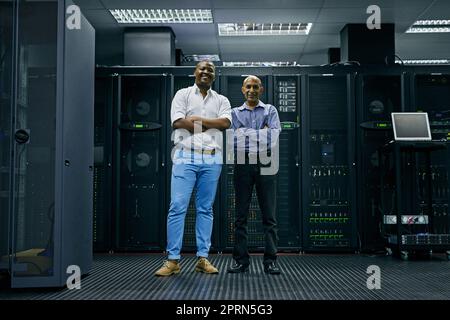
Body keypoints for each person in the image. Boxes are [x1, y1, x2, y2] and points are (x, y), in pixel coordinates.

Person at [155, 61, 232, 276]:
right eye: (202, 68)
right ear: (195, 72)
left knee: (205, 209)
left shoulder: (222, 100)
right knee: (177, 207)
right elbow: (178, 123)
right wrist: (210, 123)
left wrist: (197, 120)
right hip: (184, 157)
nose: (206, 72)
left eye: (210, 70)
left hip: (212, 159)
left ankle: (203, 258)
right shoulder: (183, 94)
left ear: (214, 75)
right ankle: (172, 261)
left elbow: (226, 124)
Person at [227, 75, 282, 275]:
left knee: (269, 215)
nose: (252, 90)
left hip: (266, 162)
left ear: (261, 89)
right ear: (243, 89)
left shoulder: (271, 110)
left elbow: (273, 138)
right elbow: (231, 141)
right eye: (248, 86)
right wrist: (261, 134)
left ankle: (271, 261)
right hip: (242, 162)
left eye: (255, 86)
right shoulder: (233, 113)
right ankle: (241, 261)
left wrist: (244, 133)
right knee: (240, 216)